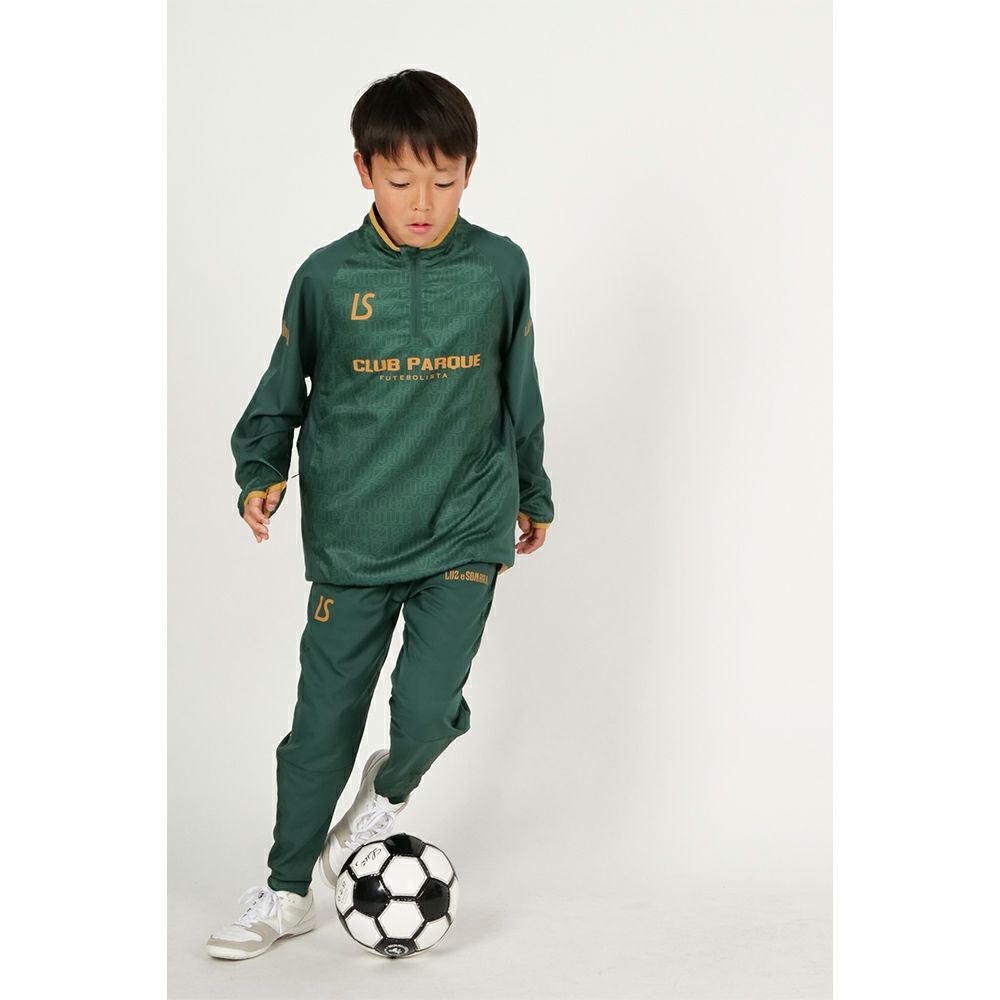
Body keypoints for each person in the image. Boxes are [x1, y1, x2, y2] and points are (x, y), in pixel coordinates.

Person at [206, 68, 555, 960]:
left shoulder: (499, 268)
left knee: (429, 708)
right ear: (364, 171)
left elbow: (519, 387)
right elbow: (280, 394)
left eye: (444, 180)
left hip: (465, 522)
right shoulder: (326, 278)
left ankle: (388, 791)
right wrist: (260, 471)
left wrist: (532, 487)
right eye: (401, 181)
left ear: (470, 171)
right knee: (320, 728)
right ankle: (286, 891)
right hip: (354, 537)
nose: (423, 202)